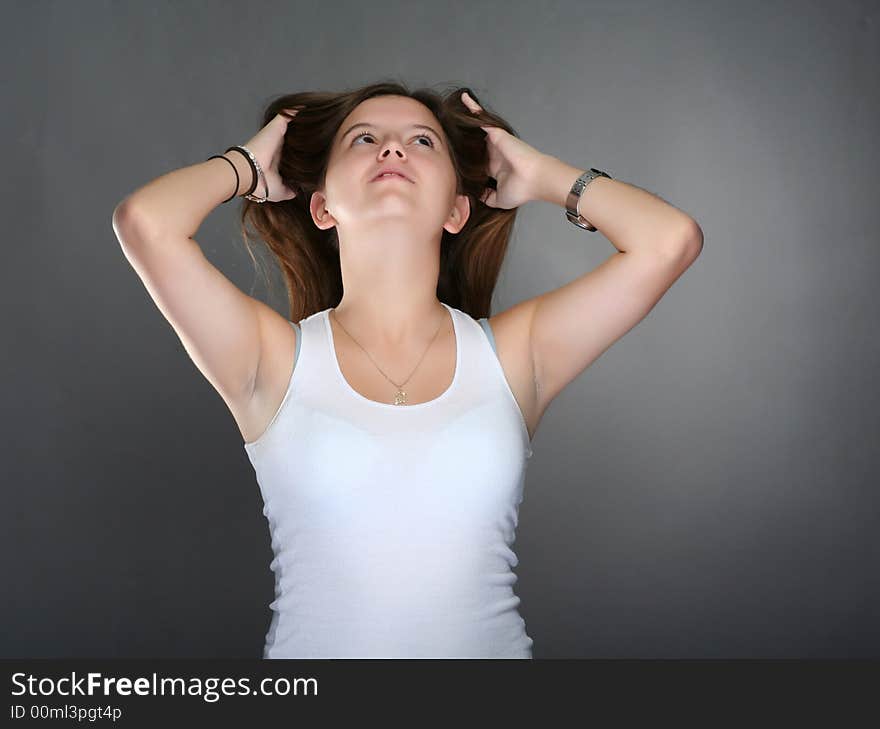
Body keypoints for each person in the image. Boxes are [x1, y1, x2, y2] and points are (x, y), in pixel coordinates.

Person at [111, 82, 702, 658]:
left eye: (422, 142)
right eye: (363, 139)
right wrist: (248, 164)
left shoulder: (517, 356)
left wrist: (541, 175)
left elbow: (669, 241)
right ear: (320, 206)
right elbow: (146, 223)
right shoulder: (271, 360)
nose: (392, 149)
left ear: (456, 209)